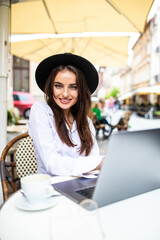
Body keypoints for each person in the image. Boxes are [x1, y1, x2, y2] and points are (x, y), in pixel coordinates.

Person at [28, 53, 103, 176]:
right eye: (58, 86)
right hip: (52, 188)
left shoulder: (86, 122)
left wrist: (97, 164)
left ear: (81, 91)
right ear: (50, 87)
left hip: (81, 185)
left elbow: (93, 158)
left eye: (73, 87)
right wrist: (96, 163)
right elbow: (52, 163)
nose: (65, 94)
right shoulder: (40, 111)